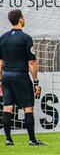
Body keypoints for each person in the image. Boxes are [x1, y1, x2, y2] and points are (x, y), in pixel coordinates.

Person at [0, 9, 45, 146]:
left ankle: (8, 139)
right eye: (23, 17)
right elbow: (31, 62)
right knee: (28, 107)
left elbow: (0, 62)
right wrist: (36, 82)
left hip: (6, 76)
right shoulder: (26, 38)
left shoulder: (3, 38)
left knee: (7, 107)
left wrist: (0, 80)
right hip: (20, 76)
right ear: (20, 19)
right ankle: (32, 140)